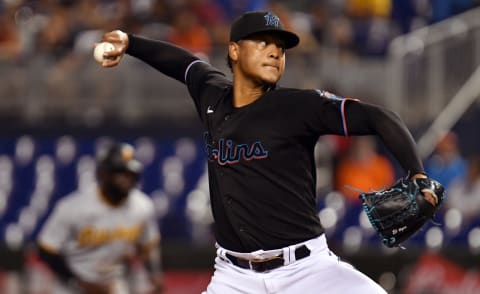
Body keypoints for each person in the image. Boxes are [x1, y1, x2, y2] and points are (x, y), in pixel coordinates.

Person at [97, 11, 439, 294]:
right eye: (263, 42)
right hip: (234, 278)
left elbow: (381, 117)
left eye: (280, 47)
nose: (275, 52)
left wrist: (418, 174)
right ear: (233, 51)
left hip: (308, 270)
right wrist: (129, 42)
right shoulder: (213, 96)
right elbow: (183, 64)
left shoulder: (299, 106)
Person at [37, 142, 163, 294]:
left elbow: (148, 247)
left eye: (130, 174)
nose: (126, 179)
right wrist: (79, 282)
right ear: (104, 174)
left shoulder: (142, 206)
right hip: (72, 286)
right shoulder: (73, 207)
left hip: (113, 284)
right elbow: (46, 250)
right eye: (120, 173)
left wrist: (154, 276)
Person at [335, 136, 395, 204]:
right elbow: (345, 194)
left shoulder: (382, 165)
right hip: (354, 208)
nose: (361, 150)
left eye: (365, 147)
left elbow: (387, 191)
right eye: (358, 147)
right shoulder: (346, 167)